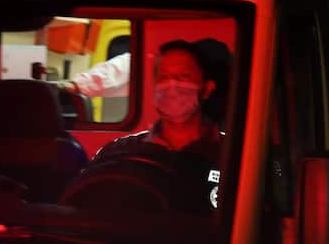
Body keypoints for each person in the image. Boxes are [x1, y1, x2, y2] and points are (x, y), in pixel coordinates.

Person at [88, 39, 226, 211]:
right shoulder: (119, 151)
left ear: (207, 89)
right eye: (164, 77)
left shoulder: (233, 154)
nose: (172, 86)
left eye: (184, 77)